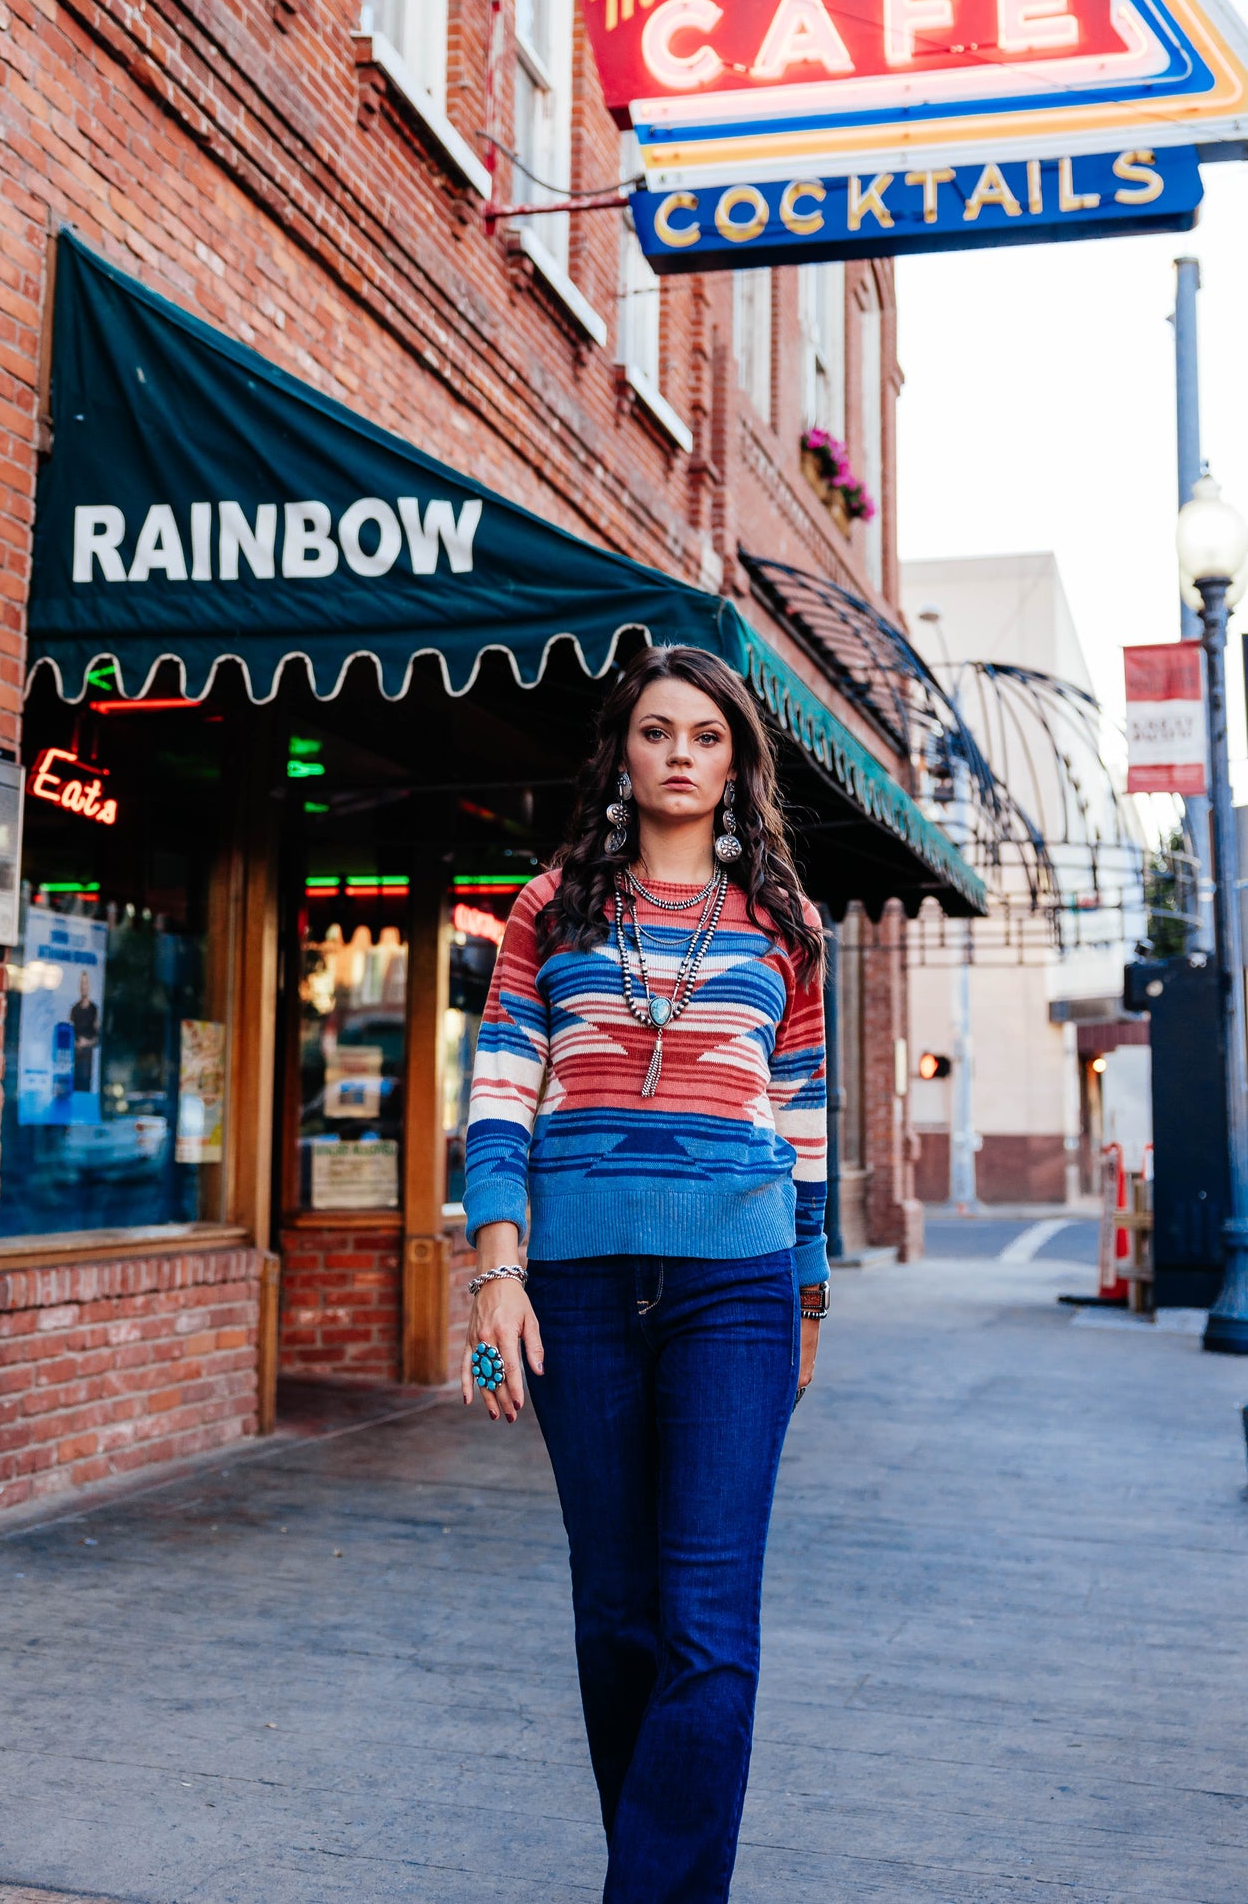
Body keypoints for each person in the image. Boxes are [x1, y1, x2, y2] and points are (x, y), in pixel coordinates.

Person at [461, 644, 828, 1904]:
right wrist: (494, 1270)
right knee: (617, 1616)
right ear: (622, 751)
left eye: (708, 736)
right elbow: (502, 1091)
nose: (681, 753)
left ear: (737, 763)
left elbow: (804, 1108)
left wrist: (810, 1283)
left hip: (737, 1286)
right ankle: (658, 1868)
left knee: (709, 1626)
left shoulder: (782, 922)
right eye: (658, 731)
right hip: (574, 1286)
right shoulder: (548, 906)